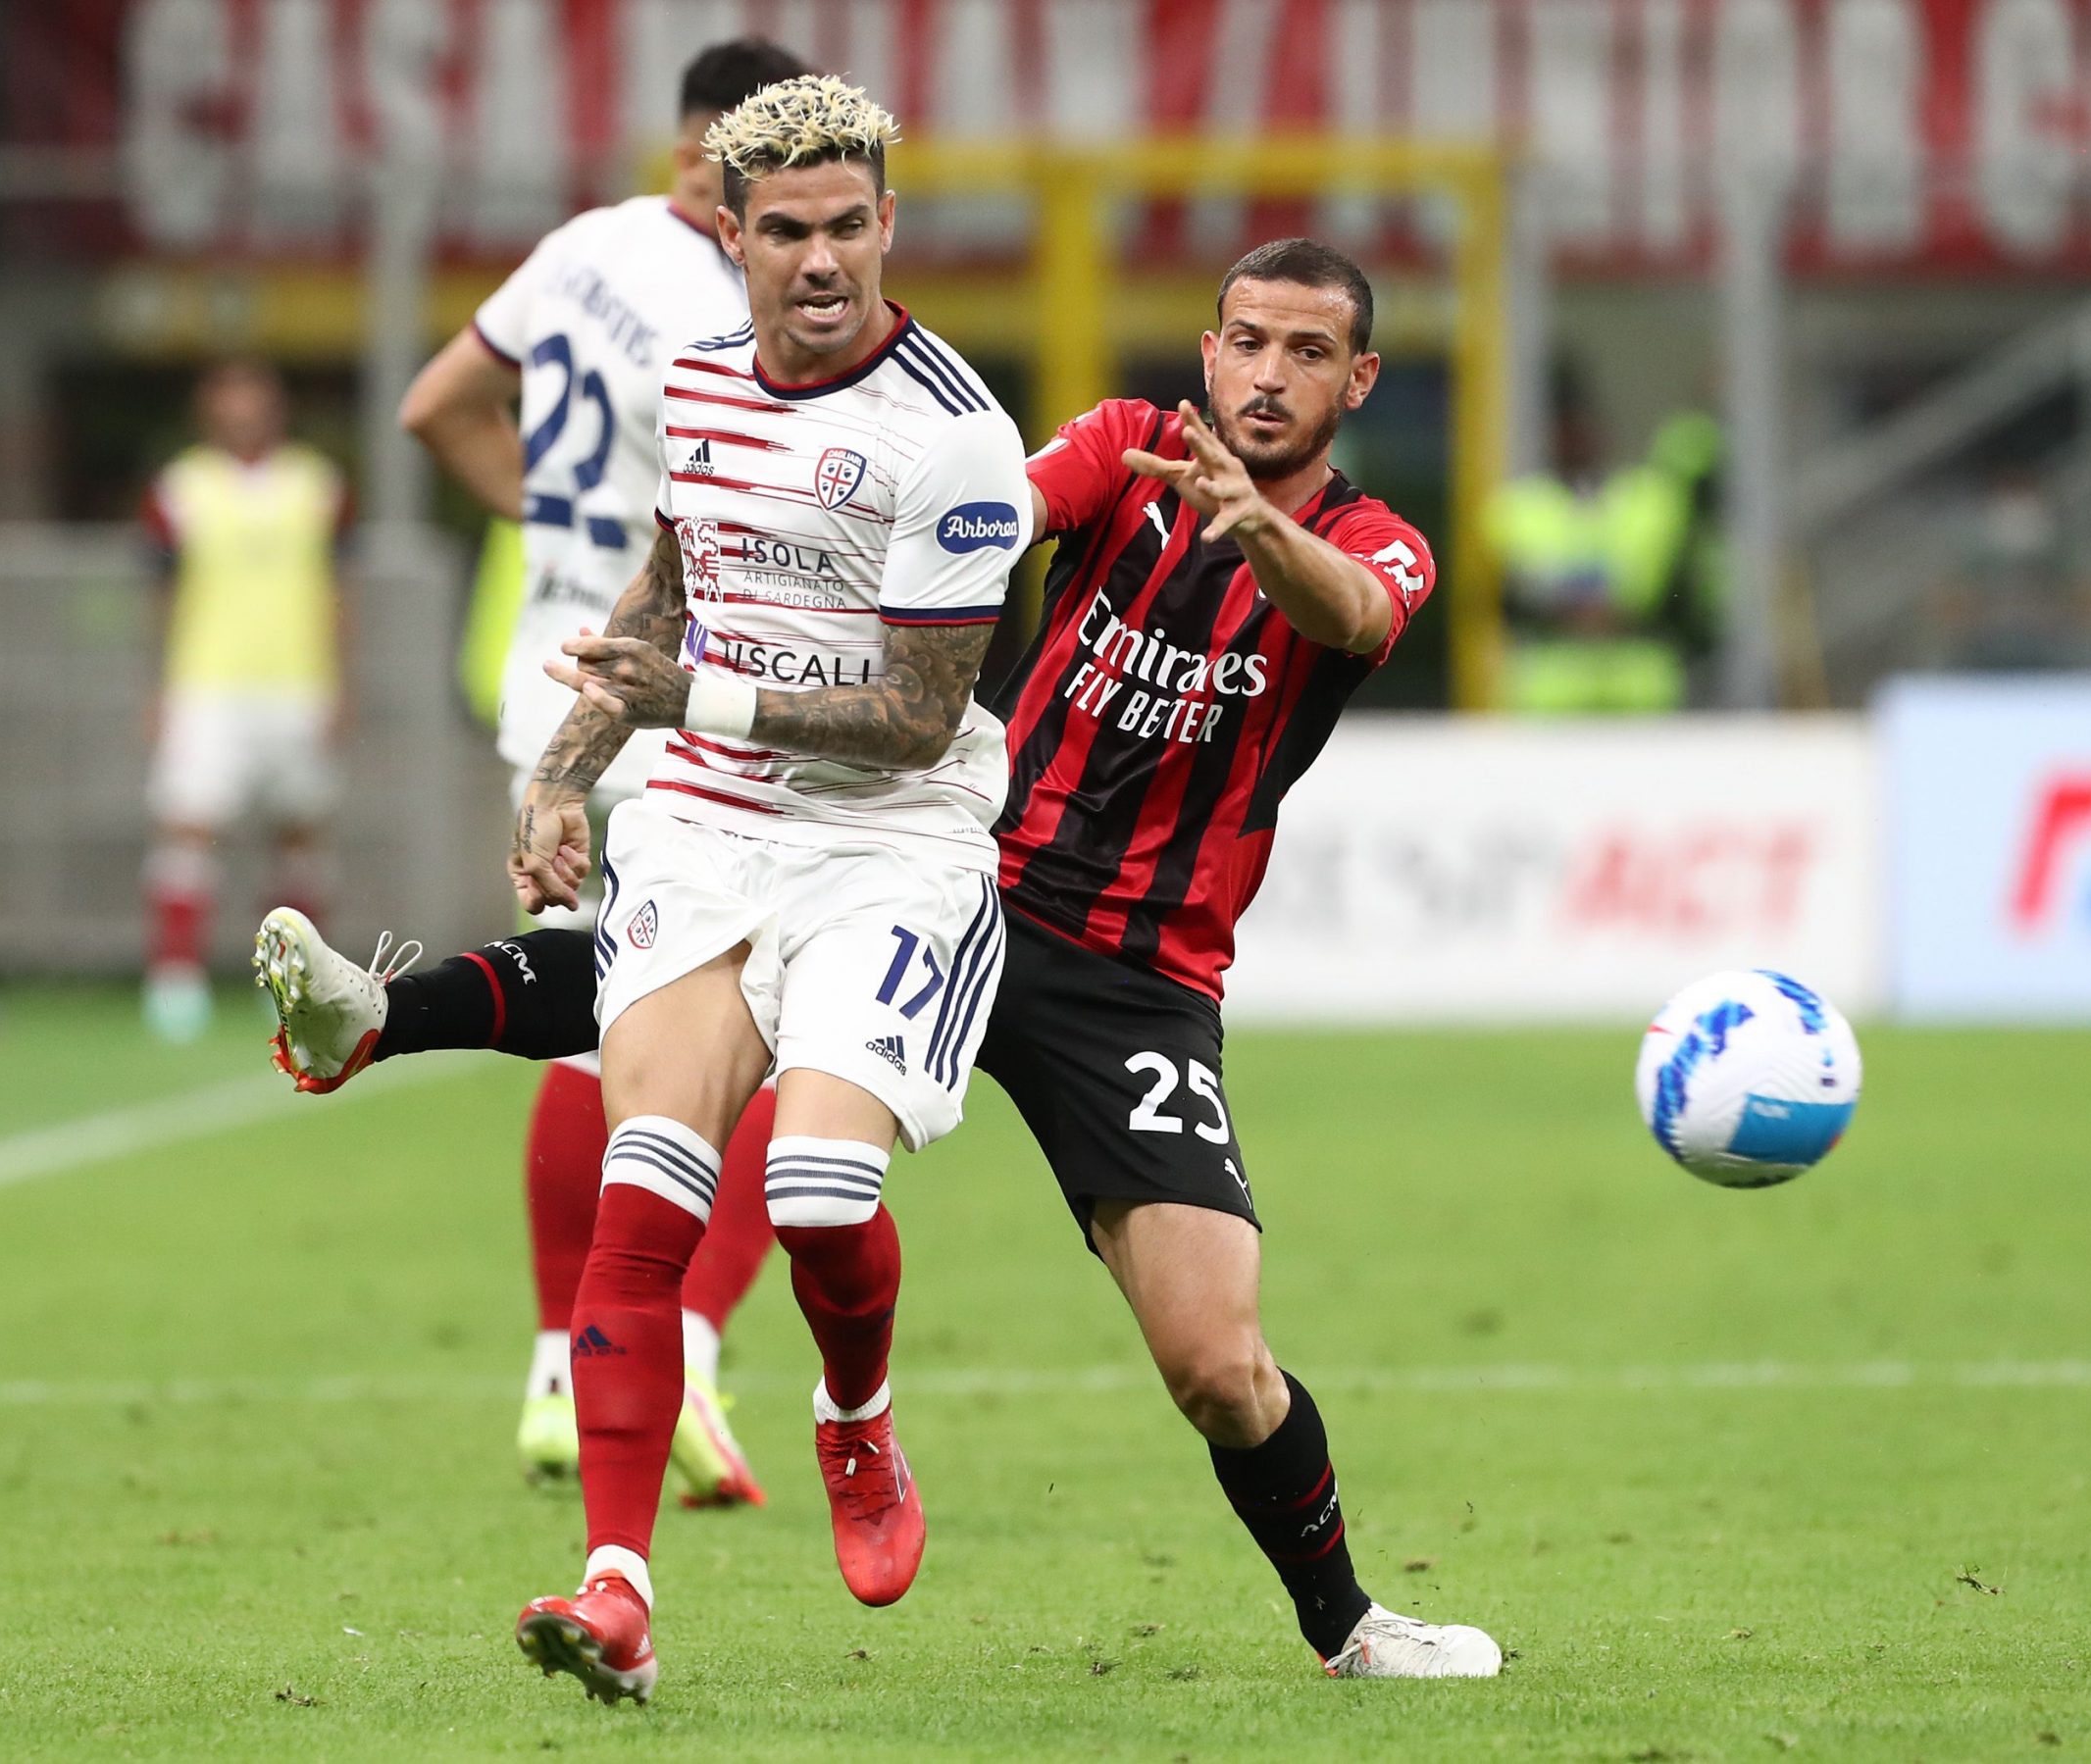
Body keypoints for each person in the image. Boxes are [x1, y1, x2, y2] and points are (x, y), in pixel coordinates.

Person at [260, 234, 1504, 1692]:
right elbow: (987, 514)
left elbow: (1351, 614)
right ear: (1210, 348)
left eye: (1307, 352)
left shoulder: (1375, 541)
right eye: (1246, 341)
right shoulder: (1127, 445)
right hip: (950, 872)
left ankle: (1350, 1626)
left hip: (1135, 974)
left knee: (1218, 1364)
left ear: (1359, 378)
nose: (1269, 374)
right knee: (676, 988)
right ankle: (377, 1018)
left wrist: (1259, 527)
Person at [265, 75, 1030, 1704]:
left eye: (848, 226)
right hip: (708, 821)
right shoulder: (695, 379)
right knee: (648, 1188)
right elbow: (667, 596)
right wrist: (564, 766)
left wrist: (698, 701)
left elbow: (915, 716)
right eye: (786, 230)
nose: (820, 260)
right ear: (729, 236)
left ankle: (855, 1415)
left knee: (816, 1191)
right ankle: (618, 1586)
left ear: (888, 224)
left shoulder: (955, 433)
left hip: (893, 844)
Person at [384, 34, 810, 1499]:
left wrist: (551, 532)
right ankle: (675, 1340)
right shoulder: (730, 299)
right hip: (676, 691)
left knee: (587, 1024)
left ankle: (560, 1372)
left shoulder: (582, 247)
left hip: (551, 683)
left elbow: (436, 404)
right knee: (769, 1034)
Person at [138, 359, 350, 1042]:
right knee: (189, 822)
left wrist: (340, 681)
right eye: (229, 402)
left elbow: (337, 589)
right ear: (208, 411)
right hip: (207, 683)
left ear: (275, 408)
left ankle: (293, 983)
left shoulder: (316, 485)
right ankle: (176, 978)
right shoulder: (181, 488)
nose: (242, 415)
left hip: (297, 682)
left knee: (297, 830)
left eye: (254, 401)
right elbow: (161, 593)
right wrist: (159, 685)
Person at [1487, 367, 1721, 714]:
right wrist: (1567, 613)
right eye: (1566, 430)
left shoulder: (1653, 498)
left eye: (1582, 429)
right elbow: (1499, 599)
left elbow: (1685, 591)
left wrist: (1622, 613)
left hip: (1640, 687)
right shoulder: (1517, 506)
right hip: (1552, 694)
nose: (1576, 440)